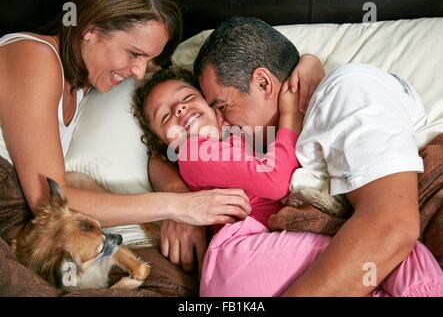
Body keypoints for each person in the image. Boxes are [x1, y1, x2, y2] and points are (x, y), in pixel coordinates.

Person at [0, 0, 324, 272]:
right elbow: (51, 201)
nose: (139, 71)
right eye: (134, 54)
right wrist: (178, 206)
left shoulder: (87, 74)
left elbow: (164, 131)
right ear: (91, 31)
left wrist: (307, 61)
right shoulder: (35, 58)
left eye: (148, 59)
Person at [156, 16, 443, 296]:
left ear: (264, 83)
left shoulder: (348, 92)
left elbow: (391, 227)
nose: (220, 120)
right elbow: (161, 155)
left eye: (221, 105)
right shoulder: (262, 137)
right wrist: (176, 202)